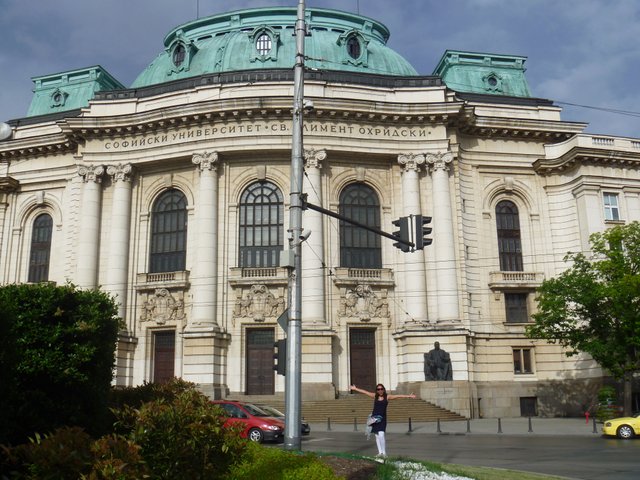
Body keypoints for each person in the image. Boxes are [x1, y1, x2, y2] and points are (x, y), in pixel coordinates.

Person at [350, 383, 416, 458]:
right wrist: (355, 389)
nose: (380, 390)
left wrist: (409, 396)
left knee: (381, 434)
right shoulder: (375, 396)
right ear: (377, 391)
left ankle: (384, 453)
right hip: (374, 419)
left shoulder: (387, 397)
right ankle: (380, 453)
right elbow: (365, 392)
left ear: (384, 390)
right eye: (378, 389)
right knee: (377, 436)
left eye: (381, 389)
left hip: (382, 419)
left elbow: (397, 396)